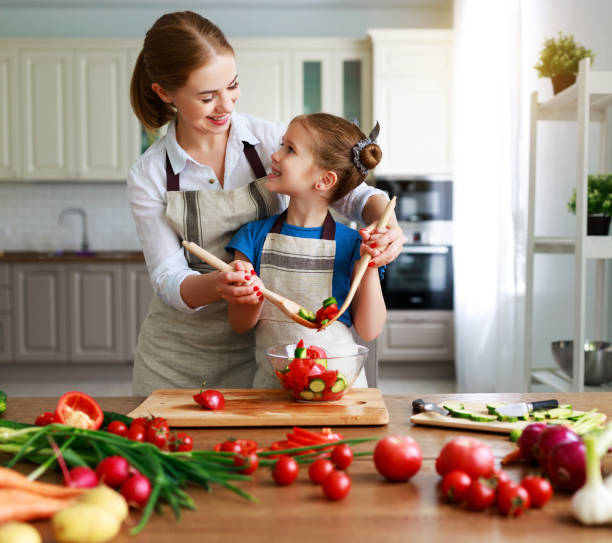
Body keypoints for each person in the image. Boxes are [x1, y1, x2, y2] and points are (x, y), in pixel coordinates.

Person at [127, 11, 404, 395]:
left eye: (233, 86)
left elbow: (346, 187)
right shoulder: (150, 173)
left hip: (271, 360)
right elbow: (168, 277)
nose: (226, 105)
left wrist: (388, 228)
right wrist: (222, 284)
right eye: (207, 97)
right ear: (164, 93)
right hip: (178, 360)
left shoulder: (268, 139)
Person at [226, 113, 388, 388]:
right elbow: (240, 325)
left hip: (342, 387)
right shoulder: (251, 237)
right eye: (281, 145)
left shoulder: (351, 244)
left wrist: (368, 264)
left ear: (324, 180)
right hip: (273, 390)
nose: (275, 155)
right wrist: (250, 292)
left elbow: (369, 330)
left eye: (290, 150)